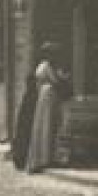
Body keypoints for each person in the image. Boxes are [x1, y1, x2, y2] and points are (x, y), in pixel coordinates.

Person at [12, 42, 70, 173]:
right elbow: (55, 81)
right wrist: (62, 79)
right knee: (44, 127)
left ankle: (48, 156)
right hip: (46, 99)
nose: (54, 57)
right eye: (52, 54)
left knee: (49, 128)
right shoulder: (45, 66)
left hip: (49, 99)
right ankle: (42, 158)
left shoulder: (48, 66)